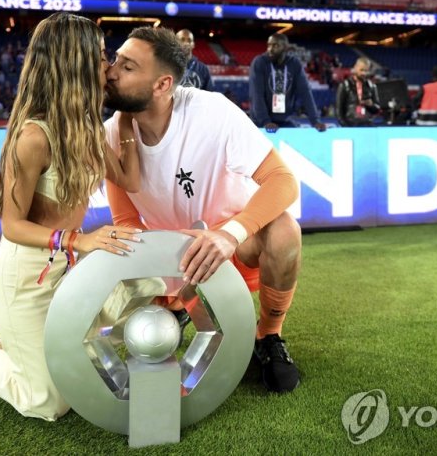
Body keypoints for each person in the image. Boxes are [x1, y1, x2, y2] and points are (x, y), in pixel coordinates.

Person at [0, 12, 143, 421]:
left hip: (68, 267)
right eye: (99, 57)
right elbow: (11, 224)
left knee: (143, 282)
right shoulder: (33, 136)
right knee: (47, 402)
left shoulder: (88, 127)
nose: (108, 67)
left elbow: (128, 177)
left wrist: (126, 116)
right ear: (73, 64)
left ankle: (45, 348)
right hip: (25, 278)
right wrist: (80, 240)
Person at [104, 27, 304, 393]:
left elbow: (283, 179)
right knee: (121, 294)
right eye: (116, 60)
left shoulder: (212, 112)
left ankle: (268, 336)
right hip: (168, 252)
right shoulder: (111, 135)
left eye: (128, 67)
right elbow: (127, 223)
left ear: (163, 85)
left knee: (285, 230)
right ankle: (179, 305)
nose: (111, 71)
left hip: (228, 244)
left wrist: (231, 233)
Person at [249, 33, 327, 132]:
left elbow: (305, 92)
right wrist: (265, 121)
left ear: (285, 48)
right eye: (269, 45)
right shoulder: (259, 62)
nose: (270, 49)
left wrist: (315, 121)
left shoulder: (294, 64)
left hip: (284, 120)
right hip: (260, 122)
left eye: (275, 45)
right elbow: (257, 95)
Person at [334, 57, 381, 126]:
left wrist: (371, 105)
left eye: (366, 71)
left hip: (367, 126)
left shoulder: (372, 86)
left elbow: (377, 109)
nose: (364, 73)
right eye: (361, 70)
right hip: (350, 125)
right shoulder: (344, 85)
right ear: (355, 68)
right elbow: (339, 110)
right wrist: (345, 127)